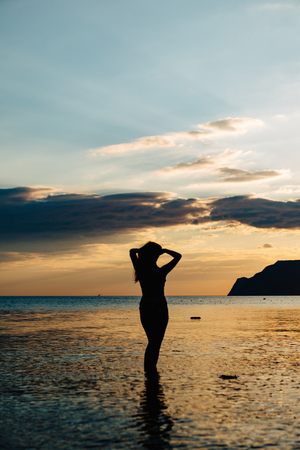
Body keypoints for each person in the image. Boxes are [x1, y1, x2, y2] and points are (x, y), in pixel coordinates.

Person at [130, 242, 182, 374]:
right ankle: (151, 372)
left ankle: (148, 372)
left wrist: (144, 251)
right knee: (155, 343)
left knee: (151, 343)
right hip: (159, 307)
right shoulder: (161, 271)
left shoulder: (140, 270)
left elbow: (132, 251)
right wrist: (164, 251)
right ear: (155, 256)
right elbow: (178, 256)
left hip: (146, 308)